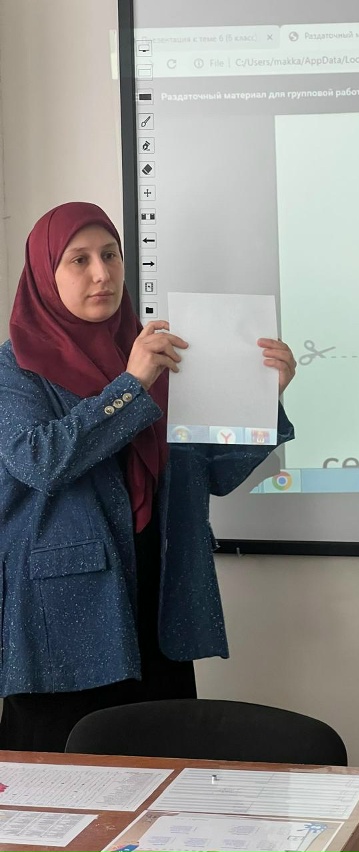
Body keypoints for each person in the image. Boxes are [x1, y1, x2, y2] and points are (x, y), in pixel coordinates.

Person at [0, 201, 295, 752]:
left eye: (110, 255)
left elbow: (213, 474)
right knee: (62, 784)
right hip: (65, 615)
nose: (102, 273)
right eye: (79, 260)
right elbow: (39, 460)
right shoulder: (16, 368)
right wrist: (131, 386)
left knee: (164, 772)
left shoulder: (158, 357)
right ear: (44, 274)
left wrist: (262, 401)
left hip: (159, 599)